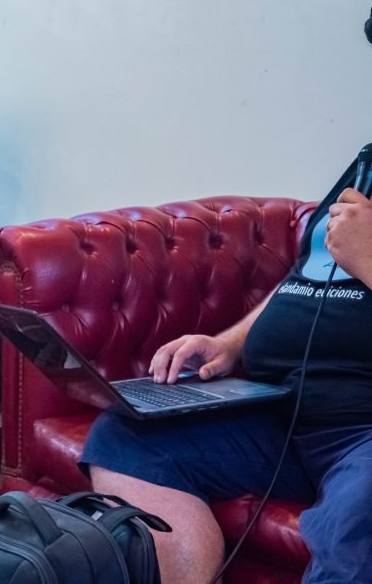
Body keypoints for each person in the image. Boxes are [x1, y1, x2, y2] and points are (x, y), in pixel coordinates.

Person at [80, 159, 372, 584]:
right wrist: (230, 345)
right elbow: (303, 278)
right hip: (281, 406)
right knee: (126, 434)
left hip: (360, 429)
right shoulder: (364, 168)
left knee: (357, 520)